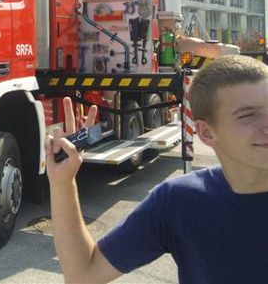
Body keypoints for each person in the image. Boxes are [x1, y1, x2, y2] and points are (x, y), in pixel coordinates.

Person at [45, 54, 268, 284]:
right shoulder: (180, 202)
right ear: (206, 133)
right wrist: (62, 182)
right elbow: (83, 275)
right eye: (249, 115)